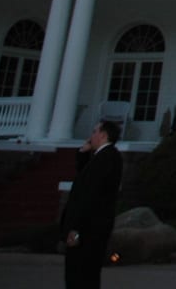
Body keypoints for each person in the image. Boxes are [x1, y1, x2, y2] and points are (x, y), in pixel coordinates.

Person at [61, 120, 122, 289]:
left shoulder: (107, 157)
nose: (91, 136)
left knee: (81, 274)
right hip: (92, 227)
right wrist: (82, 153)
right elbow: (85, 178)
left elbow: (91, 195)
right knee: (82, 274)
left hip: (90, 228)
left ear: (103, 135)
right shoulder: (102, 157)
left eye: (94, 131)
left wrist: (76, 229)